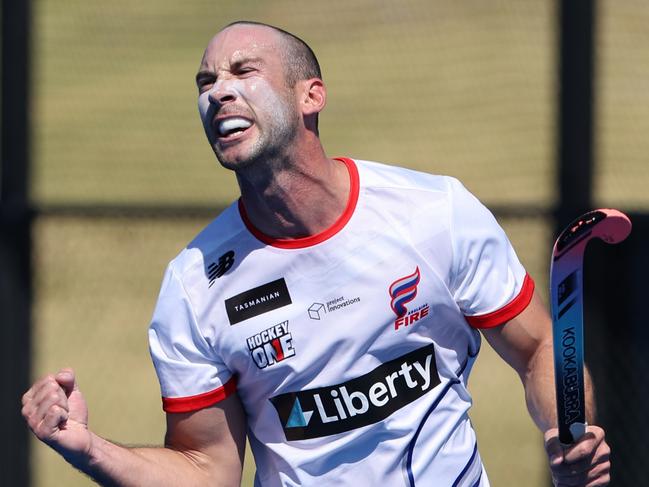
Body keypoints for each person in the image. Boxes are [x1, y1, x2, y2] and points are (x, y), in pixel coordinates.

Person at [22, 21, 611, 487]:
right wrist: (90, 450)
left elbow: (538, 347)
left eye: (243, 71)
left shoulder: (434, 212)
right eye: (205, 82)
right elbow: (207, 470)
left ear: (312, 95)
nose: (218, 90)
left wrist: (567, 434)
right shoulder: (193, 287)